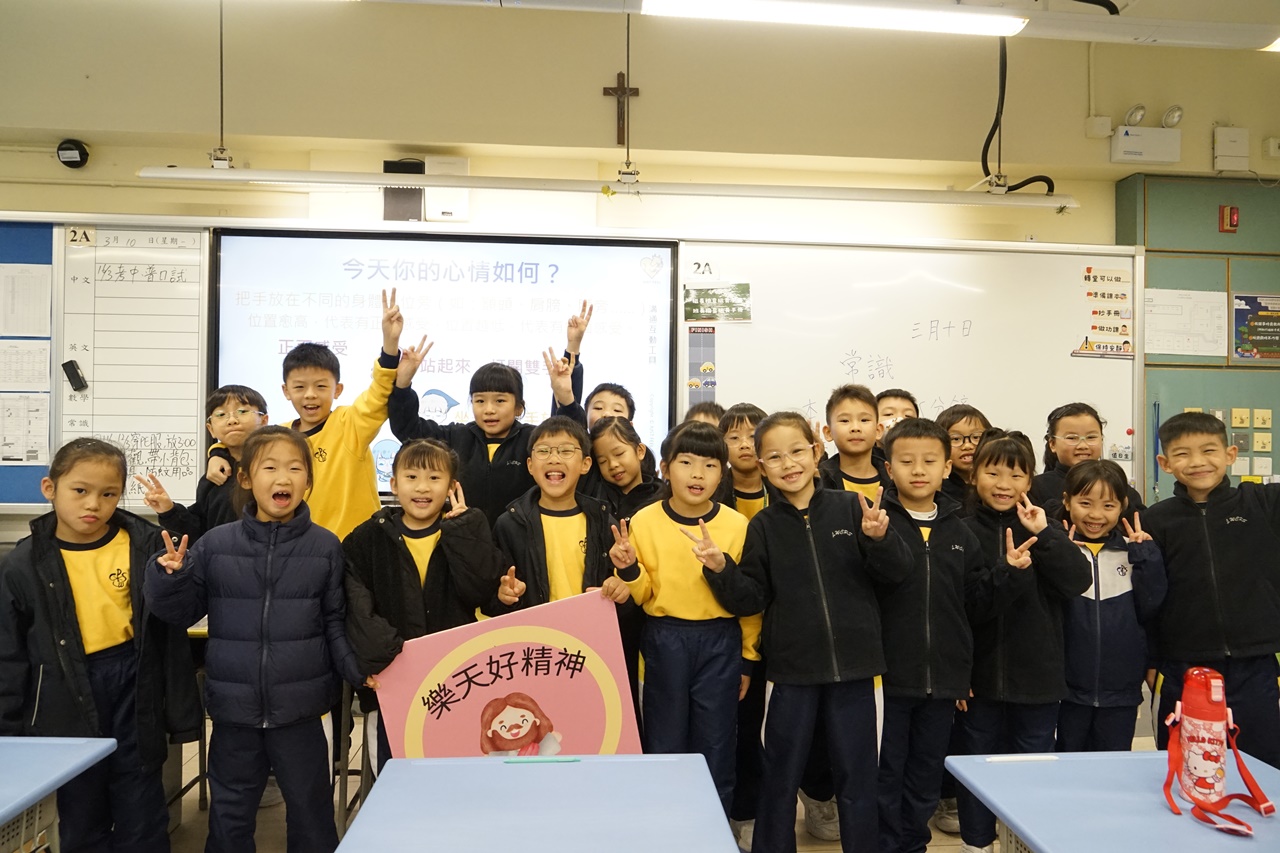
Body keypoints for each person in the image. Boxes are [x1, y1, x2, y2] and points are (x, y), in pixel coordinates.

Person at [145, 425, 364, 853]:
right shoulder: (216, 544)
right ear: (246, 478)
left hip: (302, 711)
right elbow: (180, 612)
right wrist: (169, 577)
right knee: (230, 813)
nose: (283, 478)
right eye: (270, 468)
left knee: (312, 812)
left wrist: (359, 673)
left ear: (308, 480)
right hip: (234, 712)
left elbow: (335, 621)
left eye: (295, 468)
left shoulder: (325, 547)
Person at [704, 412, 911, 853]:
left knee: (858, 779)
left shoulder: (852, 507)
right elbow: (751, 597)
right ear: (762, 467)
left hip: (857, 668)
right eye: (775, 457)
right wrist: (722, 569)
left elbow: (896, 575)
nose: (789, 464)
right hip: (791, 672)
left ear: (816, 453)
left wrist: (880, 539)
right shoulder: (763, 525)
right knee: (779, 777)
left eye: (797, 451)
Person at [0, 438, 200, 852]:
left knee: (140, 803)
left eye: (108, 494)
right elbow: (9, 655)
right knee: (79, 809)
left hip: (132, 683)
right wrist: (10, 732)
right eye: (80, 490)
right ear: (49, 488)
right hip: (63, 692)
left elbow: (173, 621)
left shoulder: (144, 545)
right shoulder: (22, 564)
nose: (93, 504)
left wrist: (173, 580)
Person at [609, 420, 760, 817]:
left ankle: (714, 827)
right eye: (687, 462)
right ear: (664, 468)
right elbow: (643, 595)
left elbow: (749, 601)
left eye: (710, 465)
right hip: (664, 640)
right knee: (664, 741)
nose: (698, 474)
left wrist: (747, 657)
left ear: (722, 474)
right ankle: (665, 827)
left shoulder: (736, 525)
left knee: (717, 743)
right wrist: (628, 570)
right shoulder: (644, 521)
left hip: (720, 642)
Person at [956, 430, 1091, 853]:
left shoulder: (1044, 526)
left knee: (1034, 770)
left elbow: (1077, 581)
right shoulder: (960, 531)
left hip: (1038, 679)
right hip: (979, 681)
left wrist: (1045, 534)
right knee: (978, 771)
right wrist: (1008, 572)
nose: (1003, 484)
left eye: (1015, 475)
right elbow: (968, 608)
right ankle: (977, 844)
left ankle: (1027, 843)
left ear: (1029, 481)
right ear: (974, 475)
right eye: (992, 473)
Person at [342, 438, 506, 772]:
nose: (422, 487)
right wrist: (383, 660)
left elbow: (480, 590)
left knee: (455, 773)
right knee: (395, 776)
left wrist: (464, 530)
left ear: (452, 486)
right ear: (393, 484)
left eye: (434, 478)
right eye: (412, 477)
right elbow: (356, 607)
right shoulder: (366, 538)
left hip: (457, 678)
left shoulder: (464, 531)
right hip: (393, 680)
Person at [1144, 411, 1280, 770]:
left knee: (1262, 763)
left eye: (1208, 450)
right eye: (1182, 453)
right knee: (1190, 765)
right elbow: (1150, 597)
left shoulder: (1261, 504)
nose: (1197, 462)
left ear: (1230, 454)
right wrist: (1152, 660)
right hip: (1184, 665)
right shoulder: (1156, 519)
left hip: (1255, 662)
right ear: (1164, 463)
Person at [878, 417, 984, 853]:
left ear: (947, 468)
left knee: (925, 772)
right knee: (885, 771)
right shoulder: (877, 523)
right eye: (906, 461)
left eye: (929, 461)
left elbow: (971, 608)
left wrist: (962, 673)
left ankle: (913, 844)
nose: (918, 470)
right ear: (889, 468)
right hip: (887, 677)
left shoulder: (962, 531)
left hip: (942, 680)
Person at [388, 341, 585, 528]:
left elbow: (572, 438)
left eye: (500, 401)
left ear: (519, 407)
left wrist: (565, 397)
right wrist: (403, 385)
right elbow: (408, 428)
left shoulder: (533, 440)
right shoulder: (457, 436)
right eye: (480, 401)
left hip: (522, 539)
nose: (489, 410)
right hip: (466, 537)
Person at [1057, 460, 1166, 753]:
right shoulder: (1058, 551)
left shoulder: (1134, 553)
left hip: (1122, 692)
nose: (1096, 515)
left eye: (1108, 505)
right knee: (1066, 765)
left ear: (1123, 506)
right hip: (1066, 692)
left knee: (1114, 763)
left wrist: (1146, 558)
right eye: (1085, 503)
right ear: (1067, 501)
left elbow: (1152, 609)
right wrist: (1059, 554)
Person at [277, 288, 404, 539]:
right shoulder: (278, 436)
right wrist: (218, 452)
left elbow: (378, 395)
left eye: (321, 386)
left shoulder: (349, 424)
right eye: (300, 387)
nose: (310, 395)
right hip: (298, 547)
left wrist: (390, 347)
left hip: (353, 547)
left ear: (338, 390)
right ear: (286, 391)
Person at [135, 385, 270, 541]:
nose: (232, 420)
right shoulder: (213, 477)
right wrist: (169, 510)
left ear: (264, 421)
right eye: (221, 414)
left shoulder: (274, 469)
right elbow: (198, 533)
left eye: (242, 411)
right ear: (211, 429)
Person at [1028, 402, 1145, 524]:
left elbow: (1141, 524)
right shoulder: (1036, 488)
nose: (1083, 445)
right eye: (1072, 438)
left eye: (1091, 437)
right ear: (1052, 444)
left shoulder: (1120, 487)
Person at [589, 416, 662, 524]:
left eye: (619, 454)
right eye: (603, 461)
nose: (612, 465)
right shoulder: (596, 499)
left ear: (640, 451)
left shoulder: (661, 500)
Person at [820, 383, 887, 500]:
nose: (855, 428)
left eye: (864, 420)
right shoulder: (819, 481)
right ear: (828, 432)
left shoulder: (893, 476)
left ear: (878, 430)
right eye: (845, 421)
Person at [716, 403, 776, 519]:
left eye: (752, 436)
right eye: (734, 438)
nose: (744, 445)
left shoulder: (782, 490)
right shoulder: (713, 493)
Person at [934, 404, 991, 512]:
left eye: (976, 437)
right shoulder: (937, 491)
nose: (967, 446)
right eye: (956, 439)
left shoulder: (997, 487)